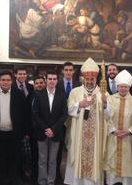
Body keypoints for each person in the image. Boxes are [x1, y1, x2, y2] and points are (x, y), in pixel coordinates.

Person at [64, 57, 108, 185]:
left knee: (94, 157)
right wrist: (79, 105)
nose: (89, 81)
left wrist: (105, 104)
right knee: (78, 155)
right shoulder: (75, 92)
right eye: (87, 79)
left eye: (92, 79)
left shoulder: (102, 93)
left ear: (96, 79)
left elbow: (109, 114)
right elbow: (68, 110)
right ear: (83, 78)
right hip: (79, 134)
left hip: (96, 137)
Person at [0, 70, 29, 185]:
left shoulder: (18, 94)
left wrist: (25, 132)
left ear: (12, 81)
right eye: (3, 80)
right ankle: (1, 181)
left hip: (14, 134)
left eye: (8, 80)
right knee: (0, 161)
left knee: (14, 159)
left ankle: (13, 180)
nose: (6, 82)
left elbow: (25, 114)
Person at [105, 69, 132, 185]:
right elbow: (106, 117)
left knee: (127, 160)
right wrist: (113, 130)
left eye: (125, 86)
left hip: (128, 137)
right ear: (117, 86)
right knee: (113, 160)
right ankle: (112, 181)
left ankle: (126, 182)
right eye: (121, 86)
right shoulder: (110, 99)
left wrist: (129, 131)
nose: (123, 89)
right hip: (113, 136)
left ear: (129, 87)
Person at [33, 70, 68, 185]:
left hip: (56, 133)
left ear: (57, 80)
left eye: (54, 79)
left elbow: (64, 114)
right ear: (46, 80)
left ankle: (51, 181)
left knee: (53, 161)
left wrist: (53, 129)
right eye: (50, 79)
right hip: (42, 133)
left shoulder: (62, 95)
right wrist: (46, 129)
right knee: (42, 160)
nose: (52, 81)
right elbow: (35, 114)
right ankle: (42, 181)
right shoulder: (39, 94)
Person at [56, 61, 81, 181]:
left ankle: (73, 174)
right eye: (66, 70)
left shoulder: (79, 84)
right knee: (58, 148)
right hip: (59, 121)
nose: (68, 72)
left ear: (73, 71)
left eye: (70, 70)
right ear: (62, 71)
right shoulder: (57, 84)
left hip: (75, 121)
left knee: (72, 147)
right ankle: (57, 174)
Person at [12, 65, 34, 182]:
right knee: (16, 152)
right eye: (19, 74)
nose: (22, 76)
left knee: (27, 152)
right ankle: (17, 174)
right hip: (15, 123)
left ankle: (26, 173)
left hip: (28, 123)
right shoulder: (11, 86)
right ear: (15, 74)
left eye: (24, 74)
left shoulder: (31, 87)